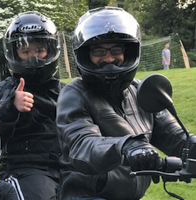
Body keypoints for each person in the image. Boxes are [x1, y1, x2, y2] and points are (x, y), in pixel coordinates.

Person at [56, 7, 196, 200]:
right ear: (85, 55)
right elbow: (83, 144)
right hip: (86, 195)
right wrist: (126, 146)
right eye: (99, 51)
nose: (109, 58)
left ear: (128, 52)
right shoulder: (74, 94)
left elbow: (175, 135)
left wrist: (192, 145)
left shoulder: (140, 91)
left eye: (116, 50)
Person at [0, 11, 64, 200]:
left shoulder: (66, 92)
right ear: (14, 53)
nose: (33, 58)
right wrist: (11, 107)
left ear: (50, 50)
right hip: (25, 169)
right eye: (25, 52)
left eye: (39, 50)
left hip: (69, 166)